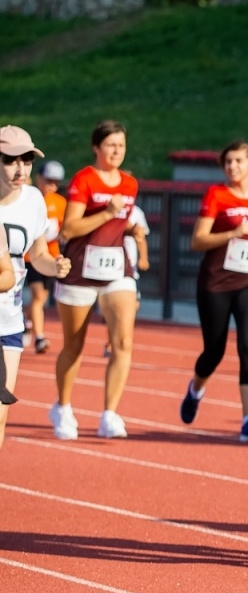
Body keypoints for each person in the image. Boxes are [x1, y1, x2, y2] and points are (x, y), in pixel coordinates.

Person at [51, 120, 143, 440]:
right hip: (80, 270)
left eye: (121, 145)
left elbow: (120, 224)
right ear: (96, 148)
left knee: (123, 343)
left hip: (117, 268)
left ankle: (110, 413)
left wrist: (132, 229)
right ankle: (62, 406)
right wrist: (106, 212)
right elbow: (69, 229)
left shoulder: (130, 183)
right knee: (74, 345)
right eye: (110, 145)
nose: (116, 151)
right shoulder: (84, 180)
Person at [180, 140, 248, 442]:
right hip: (215, 282)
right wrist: (232, 233)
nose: (232, 166)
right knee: (214, 351)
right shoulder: (216, 195)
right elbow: (198, 240)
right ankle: (196, 388)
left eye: (238, 161)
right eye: (228, 162)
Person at [1, 127, 71, 448]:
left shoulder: (33, 200)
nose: (20, 169)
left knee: (1, 411)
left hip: (10, 320)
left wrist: (54, 266)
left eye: (26, 160)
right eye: (10, 161)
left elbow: (39, 254)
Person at [24, 159, 66, 355]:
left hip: (50, 257)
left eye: (56, 182)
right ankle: (39, 337)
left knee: (41, 297)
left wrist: (62, 234)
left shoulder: (59, 202)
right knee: (38, 295)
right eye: (48, 180)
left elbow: (66, 226)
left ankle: (27, 320)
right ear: (38, 178)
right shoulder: (28, 199)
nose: (52, 185)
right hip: (29, 257)